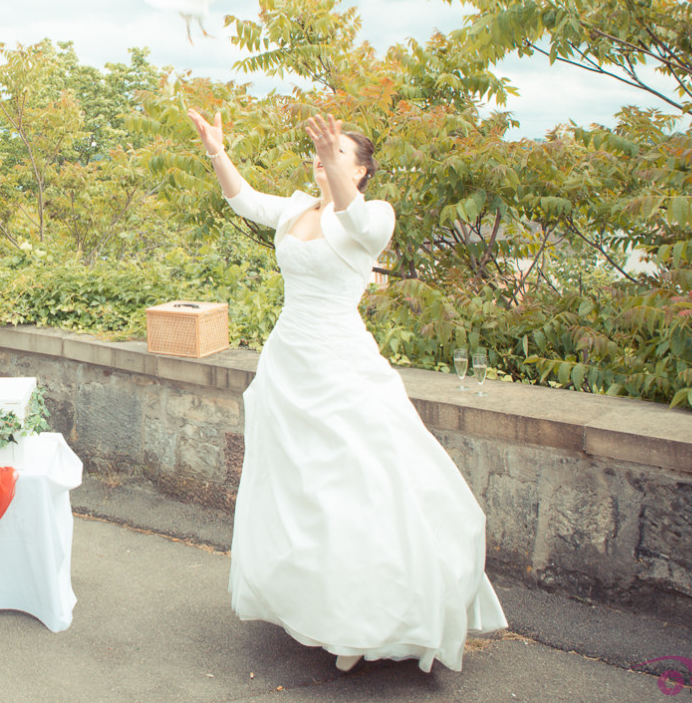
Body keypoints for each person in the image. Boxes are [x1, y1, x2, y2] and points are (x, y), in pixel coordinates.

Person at [187, 108, 507, 672]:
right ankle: (318, 607)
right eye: (320, 152)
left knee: (357, 483)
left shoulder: (373, 216)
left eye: (337, 155)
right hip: (289, 362)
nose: (322, 159)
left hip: (342, 365)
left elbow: (356, 223)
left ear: (360, 171)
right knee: (301, 486)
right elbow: (242, 198)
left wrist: (336, 166)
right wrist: (217, 149)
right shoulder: (295, 209)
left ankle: (367, 621)